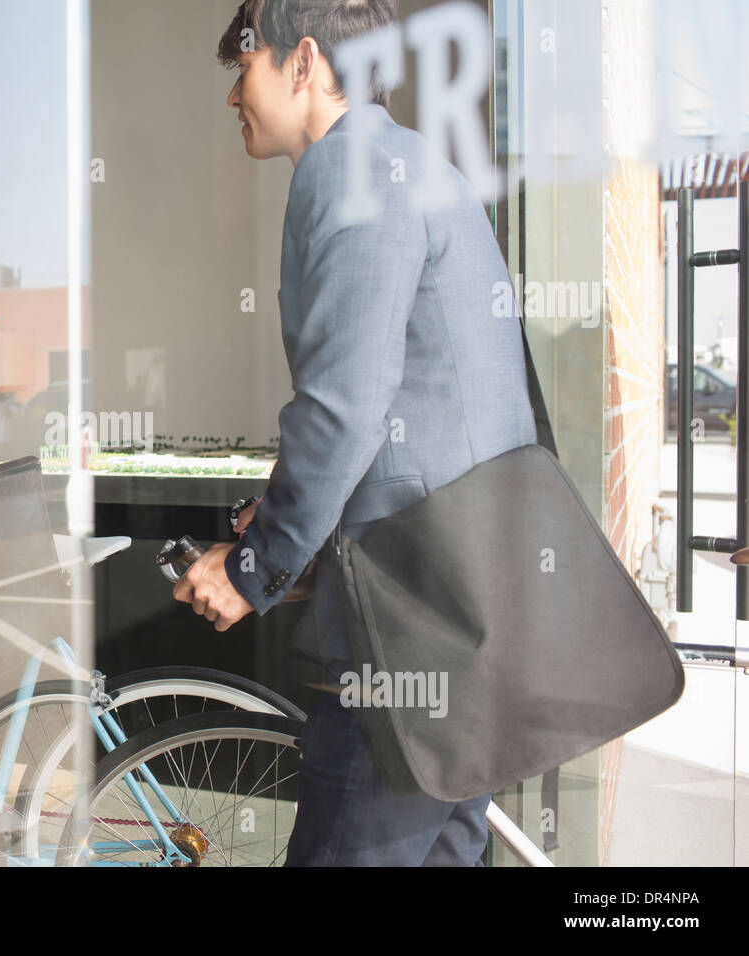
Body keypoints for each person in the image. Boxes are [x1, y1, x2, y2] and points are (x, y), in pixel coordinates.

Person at [172, 0, 537, 865]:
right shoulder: (413, 161)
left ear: (304, 63)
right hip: (467, 608)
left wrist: (257, 567)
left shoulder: (352, 171)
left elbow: (345, 407)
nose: (234, 94)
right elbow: (416, 397)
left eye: (243, 65)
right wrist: (287, 519)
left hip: (408, 624)